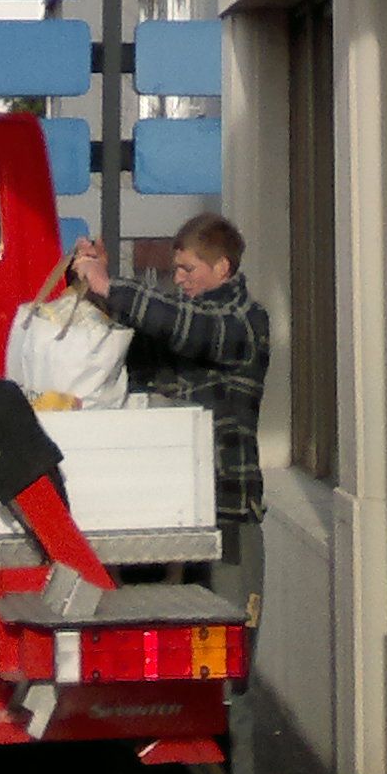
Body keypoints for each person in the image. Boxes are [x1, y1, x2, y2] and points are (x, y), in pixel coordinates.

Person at [71, 213, 269, 624]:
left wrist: (112, 286)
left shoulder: (245, 322)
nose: (178, 279)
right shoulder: (183, 315)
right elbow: (146, 335)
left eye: (187, 269)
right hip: (174, 511)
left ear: (222, 268)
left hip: (227, 510)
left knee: (230, 634)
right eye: (174, 269)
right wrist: (99, 296)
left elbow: (188, 328)